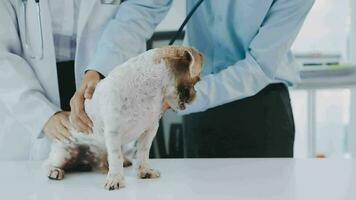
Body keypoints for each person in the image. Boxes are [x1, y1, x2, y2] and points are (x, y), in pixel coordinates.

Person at [71, 0, 315, 158]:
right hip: (197, 108)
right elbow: (143, 9)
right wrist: (99, 70)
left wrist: (179, 98)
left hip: (261, 110)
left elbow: (259, 66)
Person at [0, 0, 170, 160]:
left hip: (107, 77)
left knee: (113, 178)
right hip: (25, 98)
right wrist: (40, 114)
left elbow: (144, 6)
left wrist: (102, 67)